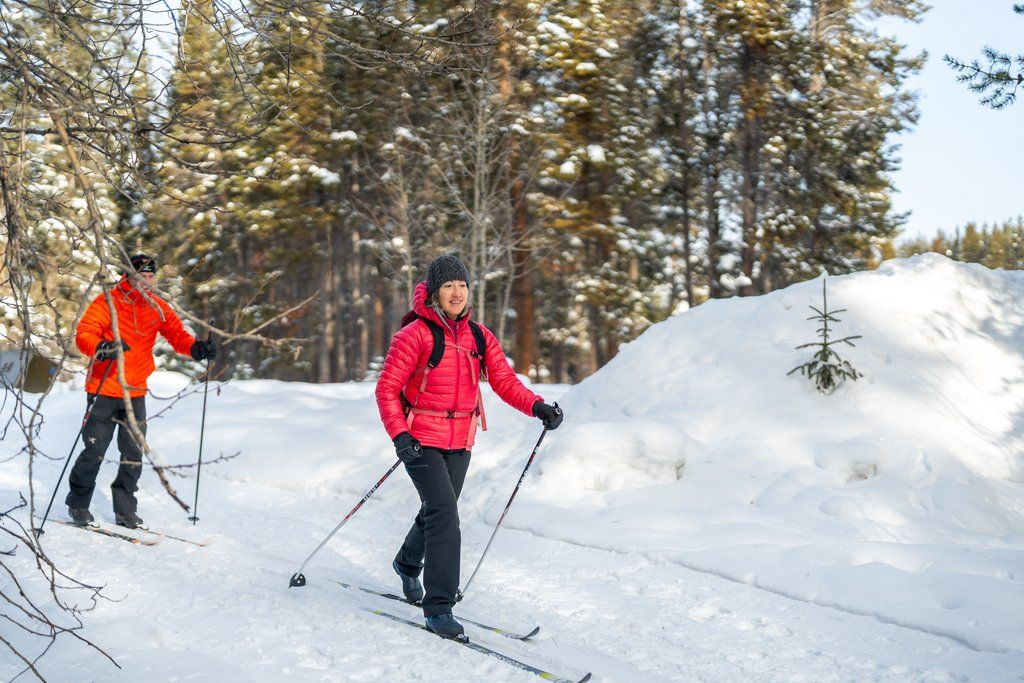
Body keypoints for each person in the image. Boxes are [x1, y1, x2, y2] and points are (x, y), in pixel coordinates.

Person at [375, 253, 564, 640]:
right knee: (445, 516)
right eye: (448, 286)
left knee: (436, 510)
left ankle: (408, 565)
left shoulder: (479, 336)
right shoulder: (414, 336)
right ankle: (439, 607)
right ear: (433, 294)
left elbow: (505, 381)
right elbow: (387, 390)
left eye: (461, 285)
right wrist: (400, 436)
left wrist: (538, 406)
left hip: (461, 439)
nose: (457, 292)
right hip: (420, 440)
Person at [65, 253, 217, 529]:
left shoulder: (157, 306)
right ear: (129, 277)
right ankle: (77, 503)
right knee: (94, 450)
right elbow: (84, 333)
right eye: (142, 277)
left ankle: (125, 510)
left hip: (135, 391)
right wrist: (102, 348)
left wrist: (196, 348)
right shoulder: (108, 301)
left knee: (133, 453)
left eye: (151, 277)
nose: (147, 282)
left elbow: (176, 333)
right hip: (104, 388)